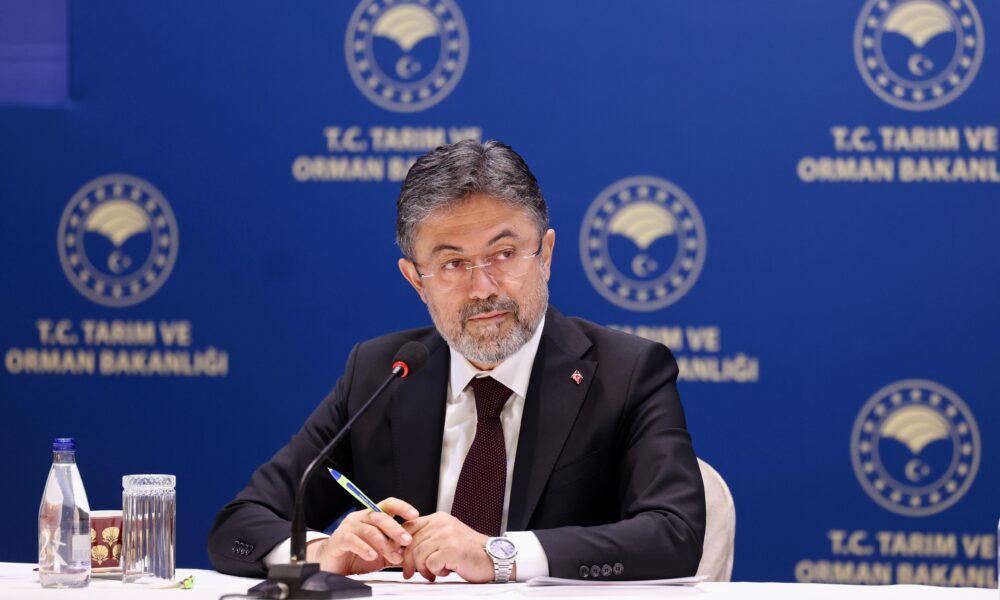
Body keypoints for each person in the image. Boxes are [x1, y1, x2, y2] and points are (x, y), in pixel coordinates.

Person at [207, 140, 705, 583]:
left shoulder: (626, 372)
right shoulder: (380, 374)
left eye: (504, 254)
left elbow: (674, 534)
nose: (483, 288)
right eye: (453, 264)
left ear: (546, 255)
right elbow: (241, 523)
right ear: (416, 280)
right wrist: (320, 550)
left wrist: (499, 554)